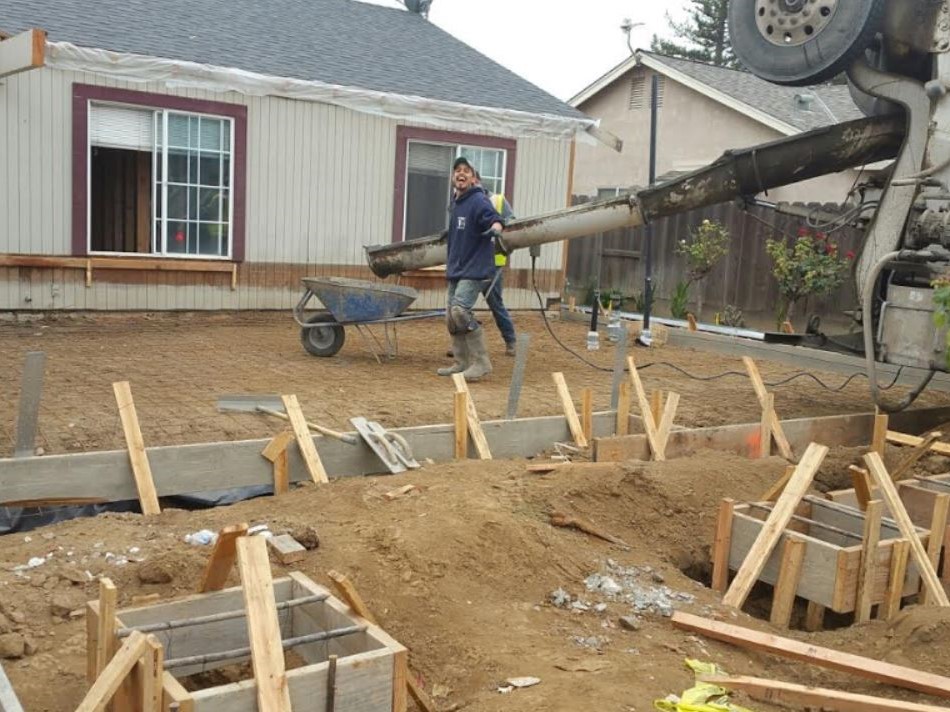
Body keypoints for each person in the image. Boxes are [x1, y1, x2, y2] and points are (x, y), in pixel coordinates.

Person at [436, 156, 505, 381]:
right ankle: (461, 362)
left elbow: (494, 218)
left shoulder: (478, 200)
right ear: (453, 178)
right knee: (451, 318)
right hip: (457, 267)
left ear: (473, 178)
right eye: (457, 170)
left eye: (466, 170)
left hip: (474, 267)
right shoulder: (457, 203)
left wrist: (495, 228)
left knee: (460, 311)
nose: (461, 173)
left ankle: (481, 362)